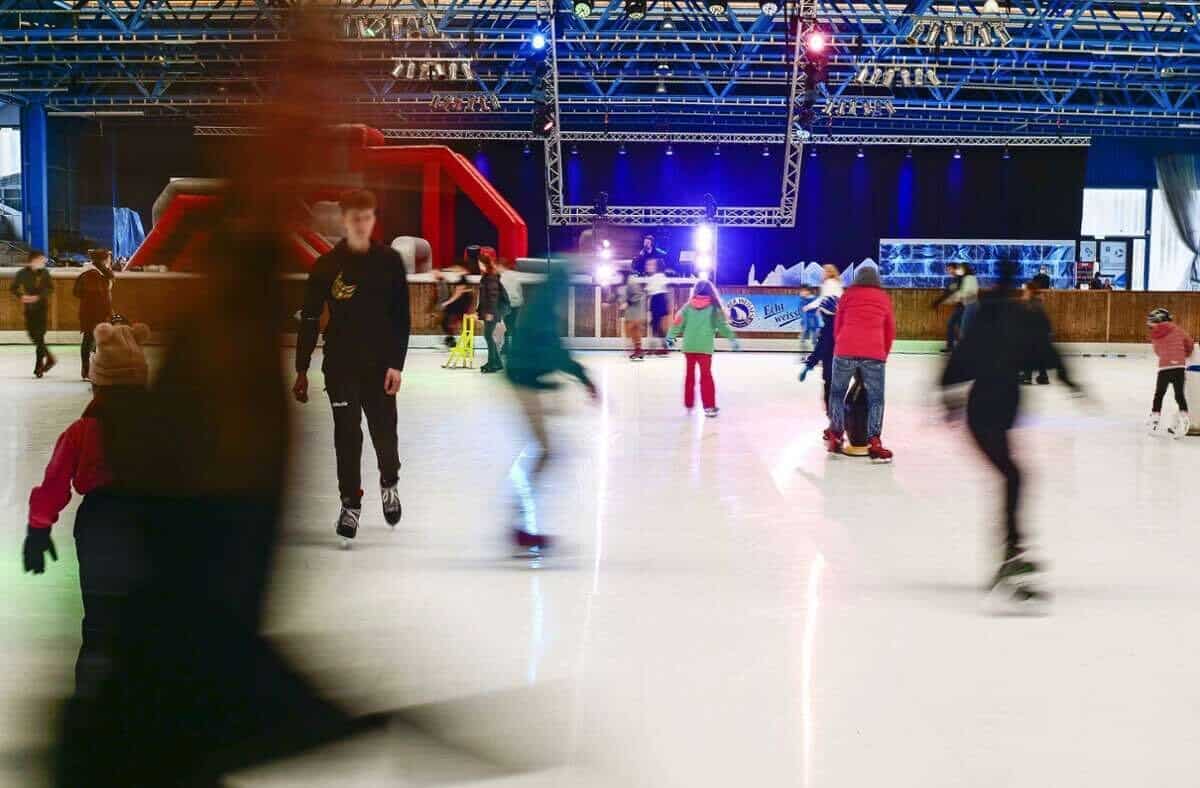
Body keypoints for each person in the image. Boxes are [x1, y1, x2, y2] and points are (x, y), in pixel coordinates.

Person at [940, 261, 1081, 611]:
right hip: (991, 411)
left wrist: (947, 396)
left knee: (1013, 476)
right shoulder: (1018, 319)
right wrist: (1071, 382)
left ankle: (1011, 550)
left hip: (992, 410)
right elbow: (1047, 352)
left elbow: (960, 361)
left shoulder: (991, 320)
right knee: (1013, 476)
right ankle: (1011, 551)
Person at [24, 321, 152, 699]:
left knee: (98, 616)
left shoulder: (83, 430)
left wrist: (39, 528)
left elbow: (55, 480)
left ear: (98, 384)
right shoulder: (161, 428)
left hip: (99, 523)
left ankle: (92, 699)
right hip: (149, 519)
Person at [294, 189, 411, 545]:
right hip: (341, 366)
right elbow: (310, 319)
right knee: (347, 436)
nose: (361, 224)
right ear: (344, 221)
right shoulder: (326, 267)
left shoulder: (390, 261)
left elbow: (400, 318)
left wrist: (396, 365)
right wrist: (301, 369)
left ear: (373, 219)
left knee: (384, 437)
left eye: (367, 217)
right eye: (355, 219)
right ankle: (350, 504)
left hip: (379, 369)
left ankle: (389, 482)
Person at [505, 264, 598, 557]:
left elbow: (549, 351)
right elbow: (554, 351)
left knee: (546, 450)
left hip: (528, 381)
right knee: (546, 450)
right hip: (524, 382)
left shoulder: (542, 304)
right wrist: (583, 379)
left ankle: (519, 518)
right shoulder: (543, 311)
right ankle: (519, 519)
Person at [823, 266, 895, 462]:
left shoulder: (848, 295)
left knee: (837, 393)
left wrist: (841, 344)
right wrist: (882, 355)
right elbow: (890, 330)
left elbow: (838, 325)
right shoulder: (883, 298)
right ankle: (874, 441)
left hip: (845, 349)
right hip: (874, 352)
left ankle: (836, 435)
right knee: (876, 399)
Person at [666, 280, 740, 417]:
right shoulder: (714, 308)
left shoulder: (688, 306)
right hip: (704, 347)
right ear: (711, 292)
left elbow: (678, 322)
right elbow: (723, 326)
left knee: (689, 375)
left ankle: (689, 403)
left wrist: (671, 336)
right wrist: (732, 339)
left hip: (689, 346)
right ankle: (709, 407)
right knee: (706, 376)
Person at [1146, 307, 1194, 438]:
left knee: (1159, 394)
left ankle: (1155, 420)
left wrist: (1165, 357)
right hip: (1179, 366)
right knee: (1179, 395)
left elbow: (1157, 350)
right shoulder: (1177, 329)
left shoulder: (1155, 334)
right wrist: (1185, 354)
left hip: (1164, 368)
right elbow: (1189, 343)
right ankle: (1184, 418)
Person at [9, 249, 56, 377]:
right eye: (41, 260)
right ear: (33, 261)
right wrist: (22, 297)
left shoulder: (45, 273)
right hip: (29, 309)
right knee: (32, 335)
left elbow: (51, 288)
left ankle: (39, 366)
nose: (44, 262)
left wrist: (39, 297)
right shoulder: (22, 273)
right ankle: (50, 358)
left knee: (39, 336)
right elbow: (13, 288)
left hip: (41, 308)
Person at [75, 248, 116, 380]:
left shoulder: (101, 272)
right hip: (93, 313)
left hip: (100, 312)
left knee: (94, 341)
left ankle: (93, 369)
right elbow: (96, 295)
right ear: (103, 259)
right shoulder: (92, 274)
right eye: (109, 258)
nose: (111, 260)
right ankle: (87, 370)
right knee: (89, 340)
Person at [798, 292, 840, 414]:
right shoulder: (845, 327)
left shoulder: (827, 331)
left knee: (830, 399)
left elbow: (820, 350)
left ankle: (834, 422)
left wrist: (808, 366)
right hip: (844, 373)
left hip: (830, 373)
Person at [476, 248, 509, 374]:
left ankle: (492, 363)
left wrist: (490, 312)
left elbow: (493, 296)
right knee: (488, 336)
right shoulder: (487, 276)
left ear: (484, 263)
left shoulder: (491, 277)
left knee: (488, 336)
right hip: (489, 311)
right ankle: (497, 362)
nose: (478, 266)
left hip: (492, 311)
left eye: (480, 263)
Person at [1019, 282, 1052, 385]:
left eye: (1026, 290)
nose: (1024, 292)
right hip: (1041, 335)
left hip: (1035, 335)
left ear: (1030, 291)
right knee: (1038, 355)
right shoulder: (1036, 302)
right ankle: (1043, 376)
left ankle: (1027, 377)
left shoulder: (1032, 304)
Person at [435, 265, 474, 347]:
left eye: (458, 269)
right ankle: (461, 343)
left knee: (447, 321)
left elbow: (458, 294)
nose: (455, 270)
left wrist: (447, 302)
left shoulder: (462, 279)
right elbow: (462, 291)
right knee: (452, 322)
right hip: (462, 304)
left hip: (461, 305)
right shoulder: (462, 279)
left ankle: (453, 342)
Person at [931, 263, 965, 352]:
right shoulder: (955, 280)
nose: (948, 271)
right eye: (948, 269)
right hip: (960, 306)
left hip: (965, 306)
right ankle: (952, 346)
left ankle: (956, 347)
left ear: (955, 269)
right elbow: (948, 293)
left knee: (957, 326)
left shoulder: (961, 278)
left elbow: (952, 292)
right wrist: (937, 302)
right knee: (954, 325)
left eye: (950, 269)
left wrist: (937, 302)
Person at [942, 263, 980, 339]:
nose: (958, 270)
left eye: (960, 268)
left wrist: (955, 298)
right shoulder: (965, 278)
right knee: (962, 326)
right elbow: (961, 291)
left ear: (965, 269)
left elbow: (971, 292)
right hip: (967, 304)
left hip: (971, 304)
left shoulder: (970, 278)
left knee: (964, 327)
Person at [617, 269, 648, 361]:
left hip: (636, 313)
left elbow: (639, 295)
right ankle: (638, 350)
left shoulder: (632, 283)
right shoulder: (624, 285)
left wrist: (627, 303)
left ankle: (638, 350)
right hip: (630, 313)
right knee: (632, 332)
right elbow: (620, 296)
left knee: (634, 331)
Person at [498, 258, 525, 358]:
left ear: (501, 266)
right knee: (512, 327)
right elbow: (518, 290)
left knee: (507, 327)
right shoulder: (516, 275)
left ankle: (507, 348)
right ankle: (513, 348)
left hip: (507, 304)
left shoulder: (502, 277)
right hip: (516, 304)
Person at [645, 257, 672, 355]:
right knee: (655, 325)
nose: (648, 267)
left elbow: (650, 290)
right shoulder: (658, 277)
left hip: (658, 300)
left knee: (655, 325)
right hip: (658, 300)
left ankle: (658, 347)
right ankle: (663, 347)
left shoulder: (658, 277)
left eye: (651, 265)